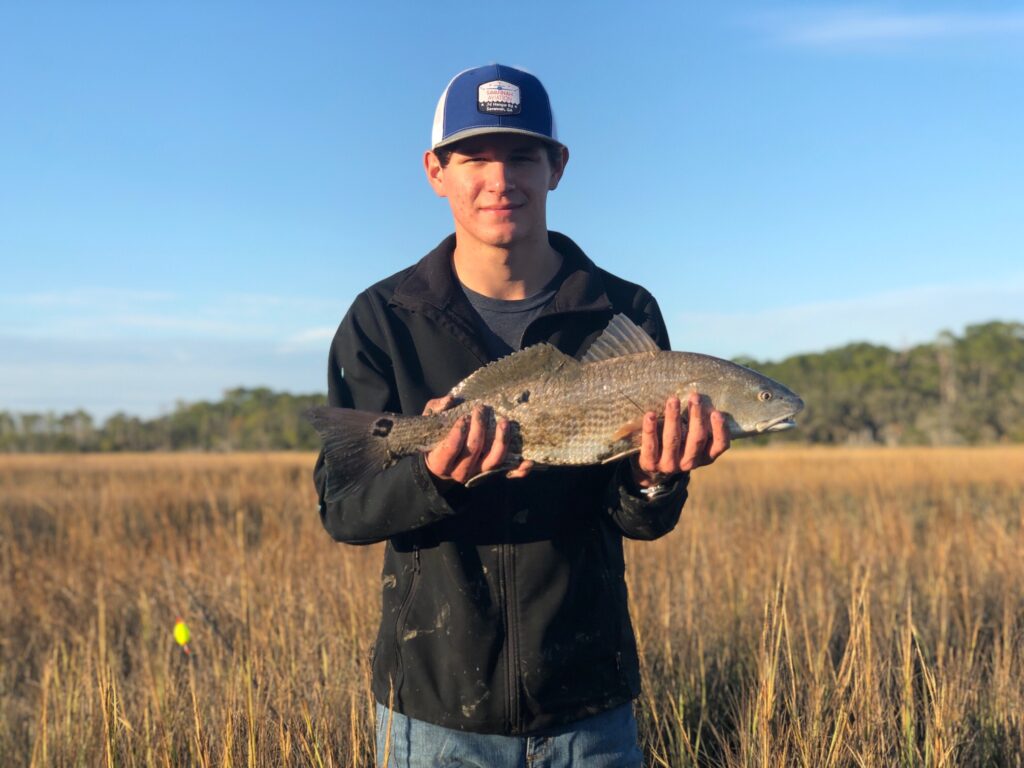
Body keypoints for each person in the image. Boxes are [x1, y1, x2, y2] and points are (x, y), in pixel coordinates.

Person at [313, 64, 730, 767]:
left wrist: (655, 480)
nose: (499, 180)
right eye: (473, 157)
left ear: (556, 168)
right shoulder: (382, 320)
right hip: (434, 712)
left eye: (521, 156)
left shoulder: (624, 313)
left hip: (589, 707)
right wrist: (434, 478)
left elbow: (637, 520)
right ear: (435, 171)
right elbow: (344, 509)